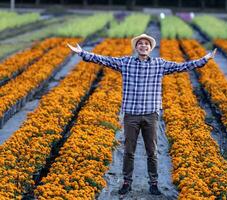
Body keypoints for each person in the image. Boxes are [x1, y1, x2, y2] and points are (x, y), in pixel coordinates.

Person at [67, 33, 217, 196]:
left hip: (151, 114)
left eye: (146, 44)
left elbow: (183, 66)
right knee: (128, 150)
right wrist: (82, 52)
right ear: (136, 47)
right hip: (131, 114)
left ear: (150, 47)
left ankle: (153, 183)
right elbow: (104, 60)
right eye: (140, 44)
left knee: (152, 151)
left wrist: (205, 59)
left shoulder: (159, 64)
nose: (143, 46)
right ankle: (127, 182)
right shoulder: (126, 62)